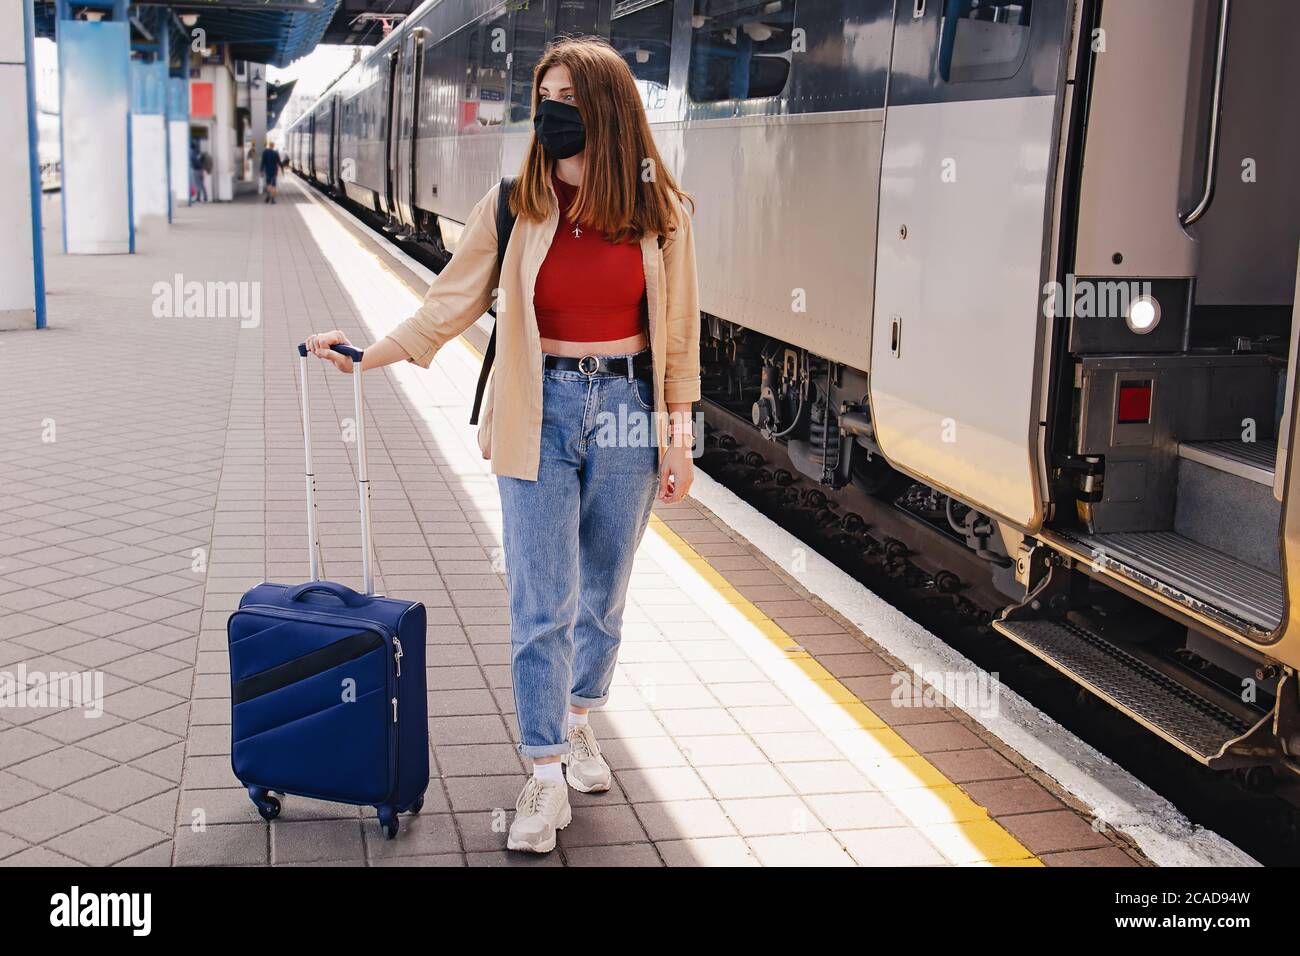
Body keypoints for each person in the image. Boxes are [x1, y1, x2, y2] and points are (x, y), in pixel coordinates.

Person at [305, 36, 700, 854]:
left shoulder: (661, 211)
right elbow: (446, 303)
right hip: (538, 408)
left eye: (568, 96)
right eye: (544, 94)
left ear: (609, 110)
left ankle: (581, 717)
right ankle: (546, 771)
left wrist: (677, 436)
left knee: (605, 596)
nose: (551, 111)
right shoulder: (513, 203)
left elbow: (681, 333)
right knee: (539, 599)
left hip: (628, 405)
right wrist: (367, 354)